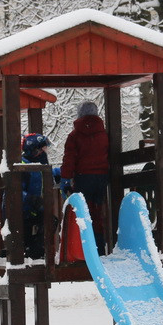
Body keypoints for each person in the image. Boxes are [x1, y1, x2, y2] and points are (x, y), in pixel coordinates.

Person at [60, 100, 110, 253]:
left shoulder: (74, 136)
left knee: (83, 212)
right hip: (101, 178)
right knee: (98, 212)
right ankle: (100, 247)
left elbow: (69, 159)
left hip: (83, 178)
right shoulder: (104, 135)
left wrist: (65, 178)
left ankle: (85, 248)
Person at [20, 133, 52, 259]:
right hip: (22, 210)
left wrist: (62, 173)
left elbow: (47, 176)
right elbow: (16, 190)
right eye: (42, 149)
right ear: (34, 150)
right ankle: (31, 251)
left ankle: (35, 250)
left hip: (32, 209)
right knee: (25, 232)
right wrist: (31, 199)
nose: (44, 152)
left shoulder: (39, 164)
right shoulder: (23, 165)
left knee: (50, 221)